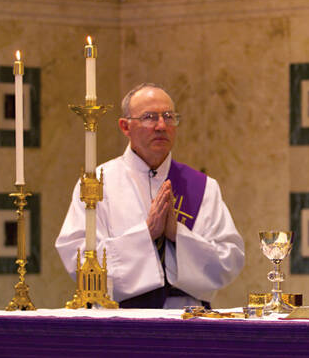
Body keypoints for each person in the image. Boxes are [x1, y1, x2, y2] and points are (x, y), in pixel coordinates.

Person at [56, 83, 244, 309]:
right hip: (120, 319)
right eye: (149, 117)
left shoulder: (203, 186)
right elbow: (79, 259)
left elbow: (229, 260)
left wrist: (178, 235)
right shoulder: (97, 184)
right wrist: (146, 234)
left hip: (188, 320)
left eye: (168, 116)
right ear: (125, 127)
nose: (161, 126)